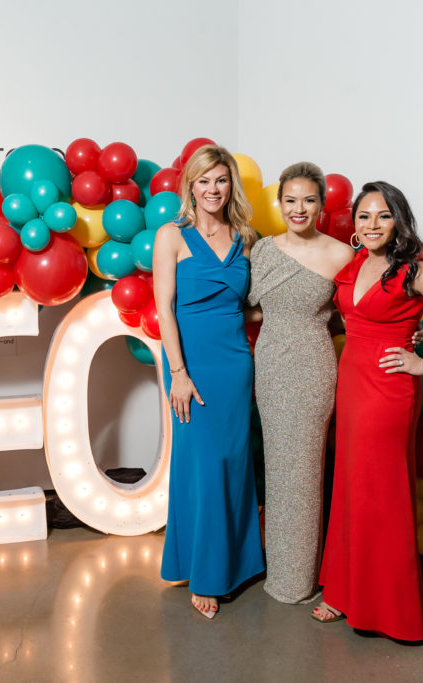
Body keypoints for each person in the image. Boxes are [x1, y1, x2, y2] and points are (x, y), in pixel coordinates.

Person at [313, 181, 423, 640]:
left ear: (399, 221)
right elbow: (353, 318)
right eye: (364, 216)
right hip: (351, 385)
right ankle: (345, 592)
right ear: (354, 223)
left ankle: (386, 609)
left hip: (388, 392)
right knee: (350, 485)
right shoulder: (351, 266)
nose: (372, 225)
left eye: (383, 216)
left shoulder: (415, 271)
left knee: (380, 494)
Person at [153, 145, 265, 619]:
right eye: (204, 181)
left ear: (230, 185)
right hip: (190, 365)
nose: (212, 190)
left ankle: (237, 563)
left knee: (235, 461)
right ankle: (204, 573)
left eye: (221, 180)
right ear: (190, 187)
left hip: (235, 362)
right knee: (202, 464)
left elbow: (252, 307)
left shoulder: (247, 236)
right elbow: (164, 308)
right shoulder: (171, 235)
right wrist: (178, 374)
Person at [247, 162, 353, 604]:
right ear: (281, 202)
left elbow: (358, 315)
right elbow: (251, 309)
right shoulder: (263, 250)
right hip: (271, 367)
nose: (298, 208)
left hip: (313, 368)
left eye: (308, 200)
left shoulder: (342, 255)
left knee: (306, 472)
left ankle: (300, 579)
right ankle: (281, 573)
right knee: (277, 468)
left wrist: (407, 333)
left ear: (322, 205)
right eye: (290, 200)